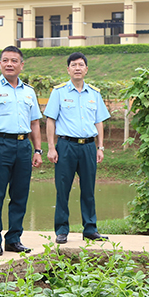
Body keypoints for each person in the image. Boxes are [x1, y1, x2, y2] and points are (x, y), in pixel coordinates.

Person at [0, 46, 43, 256]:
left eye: (14, 61)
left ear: (21, 65)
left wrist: (38, 150)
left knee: (20, 194)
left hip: (23, 146)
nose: (9, 64)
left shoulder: (29, 92)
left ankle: (14, 238)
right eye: (5, 60)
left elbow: (35, 124)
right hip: (0, 144)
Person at [44, 52, 110, 244]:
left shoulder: (94, 94)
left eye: (81, 65)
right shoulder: (59, 92)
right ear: (68, 69)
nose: (77, 68)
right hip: (66, 146)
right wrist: (51, 147)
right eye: (73, 65)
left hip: (89, 146)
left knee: (88, 189)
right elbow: (51, 120)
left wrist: (101, 147)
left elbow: (99, 122)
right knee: (62, 189)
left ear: (86, 69)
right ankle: (62, 229)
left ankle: (90, 228)